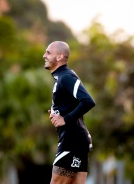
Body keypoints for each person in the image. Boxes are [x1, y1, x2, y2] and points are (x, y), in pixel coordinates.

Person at [43, 41, 95, 184]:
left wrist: (65, 119)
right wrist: (57, 111)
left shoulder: (65, 77)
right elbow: (73, 103)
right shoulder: (61, 77)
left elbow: (88, 101)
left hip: (72, 141)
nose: (44, 56)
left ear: (59, 57)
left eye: (48, 53)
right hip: (77, 141)